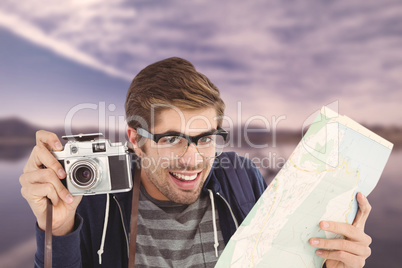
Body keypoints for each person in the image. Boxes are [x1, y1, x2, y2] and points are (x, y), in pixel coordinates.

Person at [20, 57, 372, 267]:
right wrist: (57, 229)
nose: (192, 160)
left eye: (205, 138)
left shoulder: (242, 178)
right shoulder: (93, 197)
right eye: (171, 138)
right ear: (135, 139)